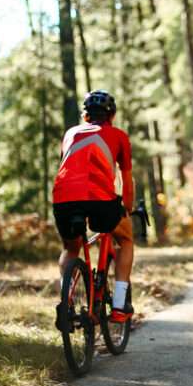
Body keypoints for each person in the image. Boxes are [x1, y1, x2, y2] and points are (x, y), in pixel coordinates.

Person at [52, 90, 136, 323]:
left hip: (64, 199)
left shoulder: (71, 133)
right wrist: (127, 208)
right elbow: (127, 180)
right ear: (112, 115)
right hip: (100, 200)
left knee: (71, 248)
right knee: (126, 239)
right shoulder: (118, 136)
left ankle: (66, 302)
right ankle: (119, 304)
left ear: (85, 116)